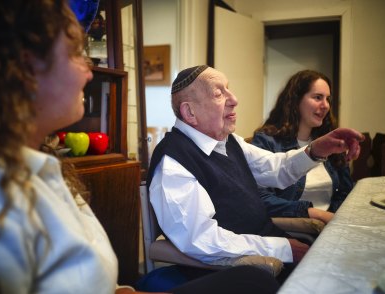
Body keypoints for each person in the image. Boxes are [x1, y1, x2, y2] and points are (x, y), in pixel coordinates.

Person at [0, 1, 281, 293]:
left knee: (253, 282)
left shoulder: (48, 171)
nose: (89, 71)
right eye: (76, 53)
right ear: (26, 69)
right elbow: (196, 238)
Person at [147, 65, 363, 275]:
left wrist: (316, 149)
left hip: (270, 247)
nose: (234, 100)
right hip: (241, 271)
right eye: (219, 93)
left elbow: (276, 169)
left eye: (229, 89)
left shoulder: (229, 141)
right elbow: (200, 240)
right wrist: (283, 248)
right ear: (190, 112)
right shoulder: (173, 162)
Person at [251, 70, 354, 224]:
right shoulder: (267, 141)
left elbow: (346, 191)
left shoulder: (329, 141)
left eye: (328, 99)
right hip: (295, 228)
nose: (325, 105)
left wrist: (333, 218)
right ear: (295, 100)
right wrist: (314, 214)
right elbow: (259, 197)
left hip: (331, 225)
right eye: (318, 97)